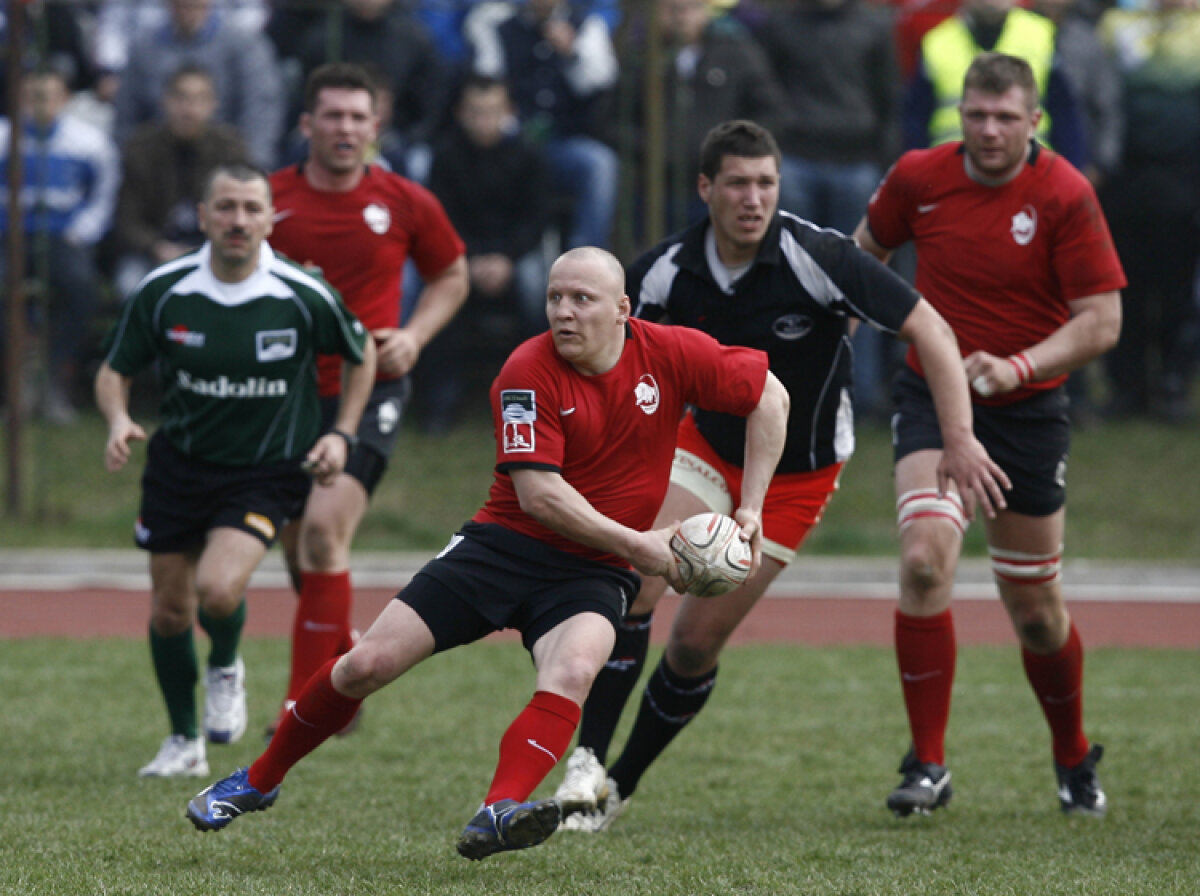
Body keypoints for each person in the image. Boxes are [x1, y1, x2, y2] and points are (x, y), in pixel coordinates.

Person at [184, 246, 791, 862]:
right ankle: (257, 780)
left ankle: (497, 809)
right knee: (365, 665)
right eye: (555, 297)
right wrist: (644, 548)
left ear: (622, 310)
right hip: (502, 548)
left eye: (582, 299)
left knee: (575, 671)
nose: (564, 312)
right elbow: (539, 495)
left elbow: (769, 395)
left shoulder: (669, 352)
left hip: (593, 569)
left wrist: (753, 506)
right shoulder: (526, 370)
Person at [551, 119, 1008, 832]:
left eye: (766, 182)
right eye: (737, 182)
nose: (753, 198)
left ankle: (618, 785)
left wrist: (959, 438)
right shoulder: (668, 268)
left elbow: (932, 331)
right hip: (705, 446)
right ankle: (585, 759)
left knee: (695, 642)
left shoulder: (819, 255)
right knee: (638, 576)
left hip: (800, 470)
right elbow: (601, 346)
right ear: (706, 189)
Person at [853, 52, 1124, 817]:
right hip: (935, 399)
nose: (991, 130)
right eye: (977, 114)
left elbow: (1103, 321)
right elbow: (860, 255)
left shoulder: (1065, 193)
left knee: (1036, 610)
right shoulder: (918, 176)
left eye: (1007, 117)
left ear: (1034, 121)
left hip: (1028, 410)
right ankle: (928, 764)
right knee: (923, 563)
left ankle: (1072, 757)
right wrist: (847, 321)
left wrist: (1019, 366)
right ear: (959, 114)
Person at [94, 162, 376, 778]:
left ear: (270, 216)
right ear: (203, 216)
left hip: (265, 473)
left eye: (252, 208)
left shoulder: (301, 292)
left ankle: (226, 663)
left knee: (218, 591)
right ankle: (183, 741)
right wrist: (118, 419)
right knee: (170, 610)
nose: (239, 221)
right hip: (179, 467)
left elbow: (362, 353)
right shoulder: (165, 288)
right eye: (225, 208)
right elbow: (115, 368)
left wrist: (342, 432)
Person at [265, 63, 469, 737]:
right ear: (307, 124)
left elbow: (451, 274)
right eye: (333, 115)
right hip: (289, 396)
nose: (346, 128)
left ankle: (304, 707)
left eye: (359, 117)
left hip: (374, 386)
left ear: (376, 126)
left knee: (324, 531)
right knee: (300, 548)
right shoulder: (270, 202)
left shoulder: (405, 200)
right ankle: (342, 666)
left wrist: (414, 335)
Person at [418, 73, 552, 433]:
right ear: (461, 113)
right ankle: (440, 402)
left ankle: (534, 403)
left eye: (492, 111)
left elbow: (537, 217)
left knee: (539, 293)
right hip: (462, 254)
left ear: (508, 111)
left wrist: (505, 258)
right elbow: (439, 218)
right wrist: (472, 259)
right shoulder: (445, 155)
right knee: (438, 294)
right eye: (476, 112)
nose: (484, 120)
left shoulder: (528, 154)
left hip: (516, 254)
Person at [1096, 0, 1200, 423]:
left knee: (1178, 287)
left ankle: (1175, 382)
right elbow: (1101, 95)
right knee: (1126, 285)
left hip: (1186, 175)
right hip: (1126, 177)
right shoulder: (1117, 25)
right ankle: (1128, 387)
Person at [0, 65, 119, 424]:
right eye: (30, 96)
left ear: (64, 99)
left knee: (82, 290)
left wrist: (81, 232)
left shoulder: (90, 143)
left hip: (63, 236)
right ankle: (13, 380)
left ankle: (51, 371)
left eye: (47, 96)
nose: (39, 104)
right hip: (9, 236)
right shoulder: (4, 139)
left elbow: (104, 197)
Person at [468, 0, 620, 249]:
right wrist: (509, 124)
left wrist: (573, 53)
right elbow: (486, 83)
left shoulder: (587, 26)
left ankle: (585, 256)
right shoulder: (500, 26)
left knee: (600, 164)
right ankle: (501, 250)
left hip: (567, 141)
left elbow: (602, 82)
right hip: (513, 141)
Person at [112, 63, 249, 298]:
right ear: (165, 101)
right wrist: (156, 247)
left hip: (215, 249)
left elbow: (240, 213)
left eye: (199, 99)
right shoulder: (140, 148)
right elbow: (127, 219)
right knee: (130, 284)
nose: (189, 109)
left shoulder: (230, 149)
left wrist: (209, 247)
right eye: (181, 98)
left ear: (213, 105)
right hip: (153, 251)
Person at [903, 0, 1087, 171]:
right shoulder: (937, 42)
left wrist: (1070, 171)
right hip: (951, 174)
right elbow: (915, 119)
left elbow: (1065, 113)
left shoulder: (1040, 35)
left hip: (1030, 171)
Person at [113, 0, 284, 169]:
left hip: (228, 162)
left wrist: (250, 170)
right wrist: (129, 164)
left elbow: (260, 111)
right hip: (158, 165)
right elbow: (126, 117)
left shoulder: (246, 45)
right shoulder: (143, 48)